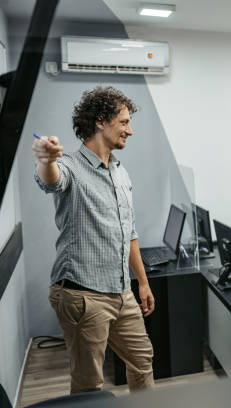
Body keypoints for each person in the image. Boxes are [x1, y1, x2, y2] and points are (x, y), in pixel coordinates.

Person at [32, 86, 154, 393]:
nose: (130, 130)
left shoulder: (119, 172)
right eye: (124, 122)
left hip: (121, 292)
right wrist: (46, 160)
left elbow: (130, 232)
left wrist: (142, 282)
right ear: (101, 121)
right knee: (89, 385)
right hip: (83, 296)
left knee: (142, 362)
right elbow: (52, 179)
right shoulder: (71, 166)